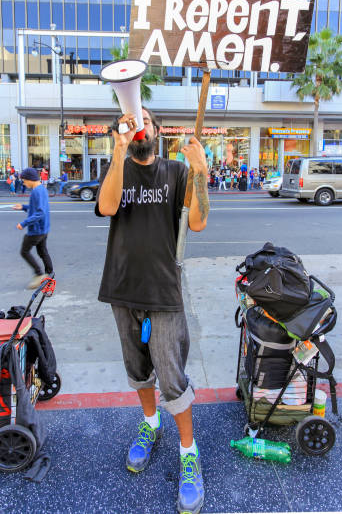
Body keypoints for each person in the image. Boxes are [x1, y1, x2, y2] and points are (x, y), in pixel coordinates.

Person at [96, 107, 209, 514]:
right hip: (123, 288)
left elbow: (197, 222)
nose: (137, 125)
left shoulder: (177, 172)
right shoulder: (119, 168)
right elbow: (108, 207)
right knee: (137, 371)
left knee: (172, 377)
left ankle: (188, 453)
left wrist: (200, 172)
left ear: (157, 131)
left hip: (163, 292)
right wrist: (118, 150)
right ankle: (150, 423)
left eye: (143, 119)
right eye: (130, 120)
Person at [12, 167, 53, 289]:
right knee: (42, 251)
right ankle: (49, 274)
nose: (24, 183)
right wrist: (24, 207)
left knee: (24, 251)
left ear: (30, 179)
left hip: (36, 229)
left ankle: (39, 274)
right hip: (43, 228)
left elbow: (40, 213)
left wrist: (24, 223)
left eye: (24, 181)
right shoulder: (41, 189)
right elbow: (37, 207)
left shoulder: (37, 191)